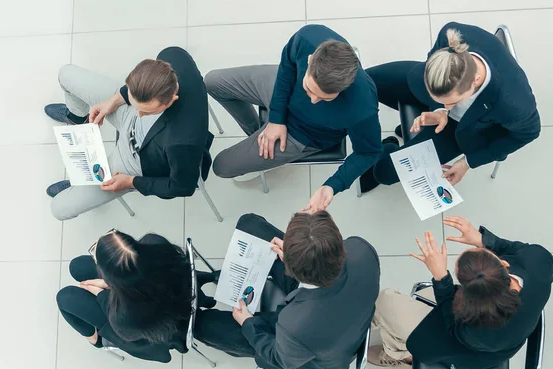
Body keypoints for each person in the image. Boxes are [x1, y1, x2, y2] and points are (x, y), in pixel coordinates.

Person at [205, 24, 382, 213]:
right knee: (212, 82)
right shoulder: (309, 37)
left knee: (221, 167)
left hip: (302, 134)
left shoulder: (361, 107)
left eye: (324, 98)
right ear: (310, 60)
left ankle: (260, 149)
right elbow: (288, 65)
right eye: (309, 89)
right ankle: (256, 132)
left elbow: (369, 152)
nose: (314, 101)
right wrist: (275, 119)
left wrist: (332, 185)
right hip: (283, 91)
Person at [195, 212, 380, 369]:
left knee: (205, 326)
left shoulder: (295, 326)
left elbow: (278, 357)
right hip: (336, 301)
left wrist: (247, 322)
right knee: (250, 225)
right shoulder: (362, 249)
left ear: (290, 270)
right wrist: (302, 256)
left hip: (306, 355)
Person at [362, 22, 540, 192]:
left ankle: (390, 145)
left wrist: (468, 162)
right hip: (432, 89)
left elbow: (529, 132)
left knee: (383, 173)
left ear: (475, 80)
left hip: (464, 129)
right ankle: (433, 105)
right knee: (365, 83)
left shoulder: (514, 104)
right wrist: (439, 109)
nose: (449, 106)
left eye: (453, 102)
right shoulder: (452, 33)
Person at [44, 47, 211, 220]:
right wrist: (114, 101)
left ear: (171, 99)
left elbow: (182, 187)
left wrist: (131, 182)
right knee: (66, 74)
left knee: (59, 209)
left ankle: (80, 183)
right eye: (136, 104)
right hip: (127, 112)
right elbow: (136, 97)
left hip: (137, 158)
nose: (139, 115)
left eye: (147, 112)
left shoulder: (181, 144)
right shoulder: (172, 56)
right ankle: (77, 118)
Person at [369, 216, 553, 368]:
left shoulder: (479, 332)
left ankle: (402, 354)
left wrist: (441, 278)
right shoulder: (540, 261)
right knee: (403, 306)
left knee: (384, 302)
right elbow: (518, 249)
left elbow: (453, 327)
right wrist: (484, 240)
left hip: (472, 349)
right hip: (504, 331)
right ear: (503, 264)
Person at [56, 230, 218, 362]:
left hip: (150, 326)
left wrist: (101, 293)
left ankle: (95, 339)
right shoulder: (155, 243)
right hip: (175, 294)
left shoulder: (125, 317)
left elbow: (126, 333)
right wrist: (109, 285)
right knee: (77, 266)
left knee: (65, 297)